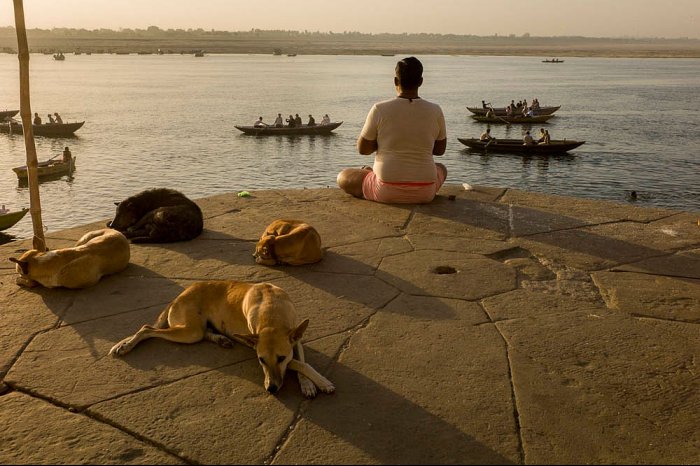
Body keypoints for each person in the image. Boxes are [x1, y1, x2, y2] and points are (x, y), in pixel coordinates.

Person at [336, 56, 447, 204]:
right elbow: (440, 150)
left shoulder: (380, 109)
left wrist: (382, 143)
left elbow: (363, 149)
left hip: (385, 190)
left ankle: (369, 174)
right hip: (425, 192)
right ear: (421, 81)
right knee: (441, 168)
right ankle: (371, 174)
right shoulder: (435, 110)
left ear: (396, 81)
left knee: (343, 176)